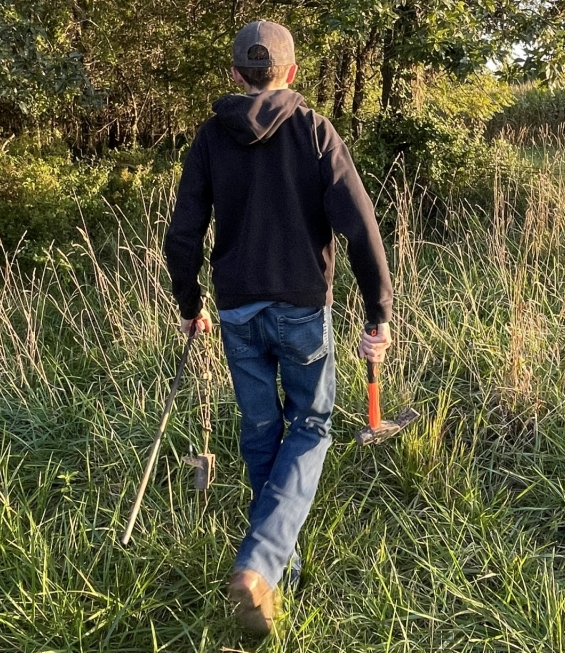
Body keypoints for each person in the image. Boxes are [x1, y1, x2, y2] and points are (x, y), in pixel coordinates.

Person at [163, 19, 393, 634]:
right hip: (300, 309)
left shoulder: (212, 138)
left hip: (237, 310)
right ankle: (263, 561)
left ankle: (270, 572)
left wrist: (189, 304)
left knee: (262, 427)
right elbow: (361, 227)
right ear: (290, 73)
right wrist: (378, 313)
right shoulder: (316, 131)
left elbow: (183, 234)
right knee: (312, 425)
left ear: (235, 74)